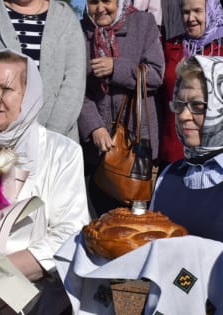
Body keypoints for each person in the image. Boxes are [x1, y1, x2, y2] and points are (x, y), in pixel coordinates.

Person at [0, 49, 90, 314]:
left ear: (29, 96)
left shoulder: (62, 152)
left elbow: (69, 233)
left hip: (34, 298)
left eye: (6, 88)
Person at [151, 55, 223, 313]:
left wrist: (199, 258)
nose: (184, 116)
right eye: (180, 104)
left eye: (198, 106)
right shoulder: (169, 175)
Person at [78, 0, 165, 216]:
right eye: (93, 2)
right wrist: (94, 127)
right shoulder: (80, 32)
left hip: (135, 147)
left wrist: (116, 67)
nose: (100, 8)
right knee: (97, 223)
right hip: (97, 152)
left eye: (107, 1)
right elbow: (75, 88)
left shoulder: (143, 23)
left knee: (133, 225)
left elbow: (155, 75)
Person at [0, 0, 86, 142]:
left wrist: (49, 137)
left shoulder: (66, 18)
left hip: (59, 140)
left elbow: (74, 83)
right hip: (2, 143)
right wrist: (12, 136)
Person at [159, 0, 223, 169]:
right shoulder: (171, 47)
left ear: (211, 11)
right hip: (175, 153)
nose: (191, 18)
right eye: (186, 12)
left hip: (221, 155)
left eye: (197, 11)